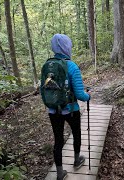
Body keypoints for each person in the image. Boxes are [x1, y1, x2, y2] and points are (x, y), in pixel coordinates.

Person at [47, 34, 91, 180]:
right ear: (67, 47)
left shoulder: (47, 66)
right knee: (76, 133)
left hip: (53, 110)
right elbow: (80, 94)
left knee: (58, 140)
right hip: (71, 110)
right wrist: (88, 96)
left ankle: (59, 174)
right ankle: (77, 160)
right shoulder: (72, 66)